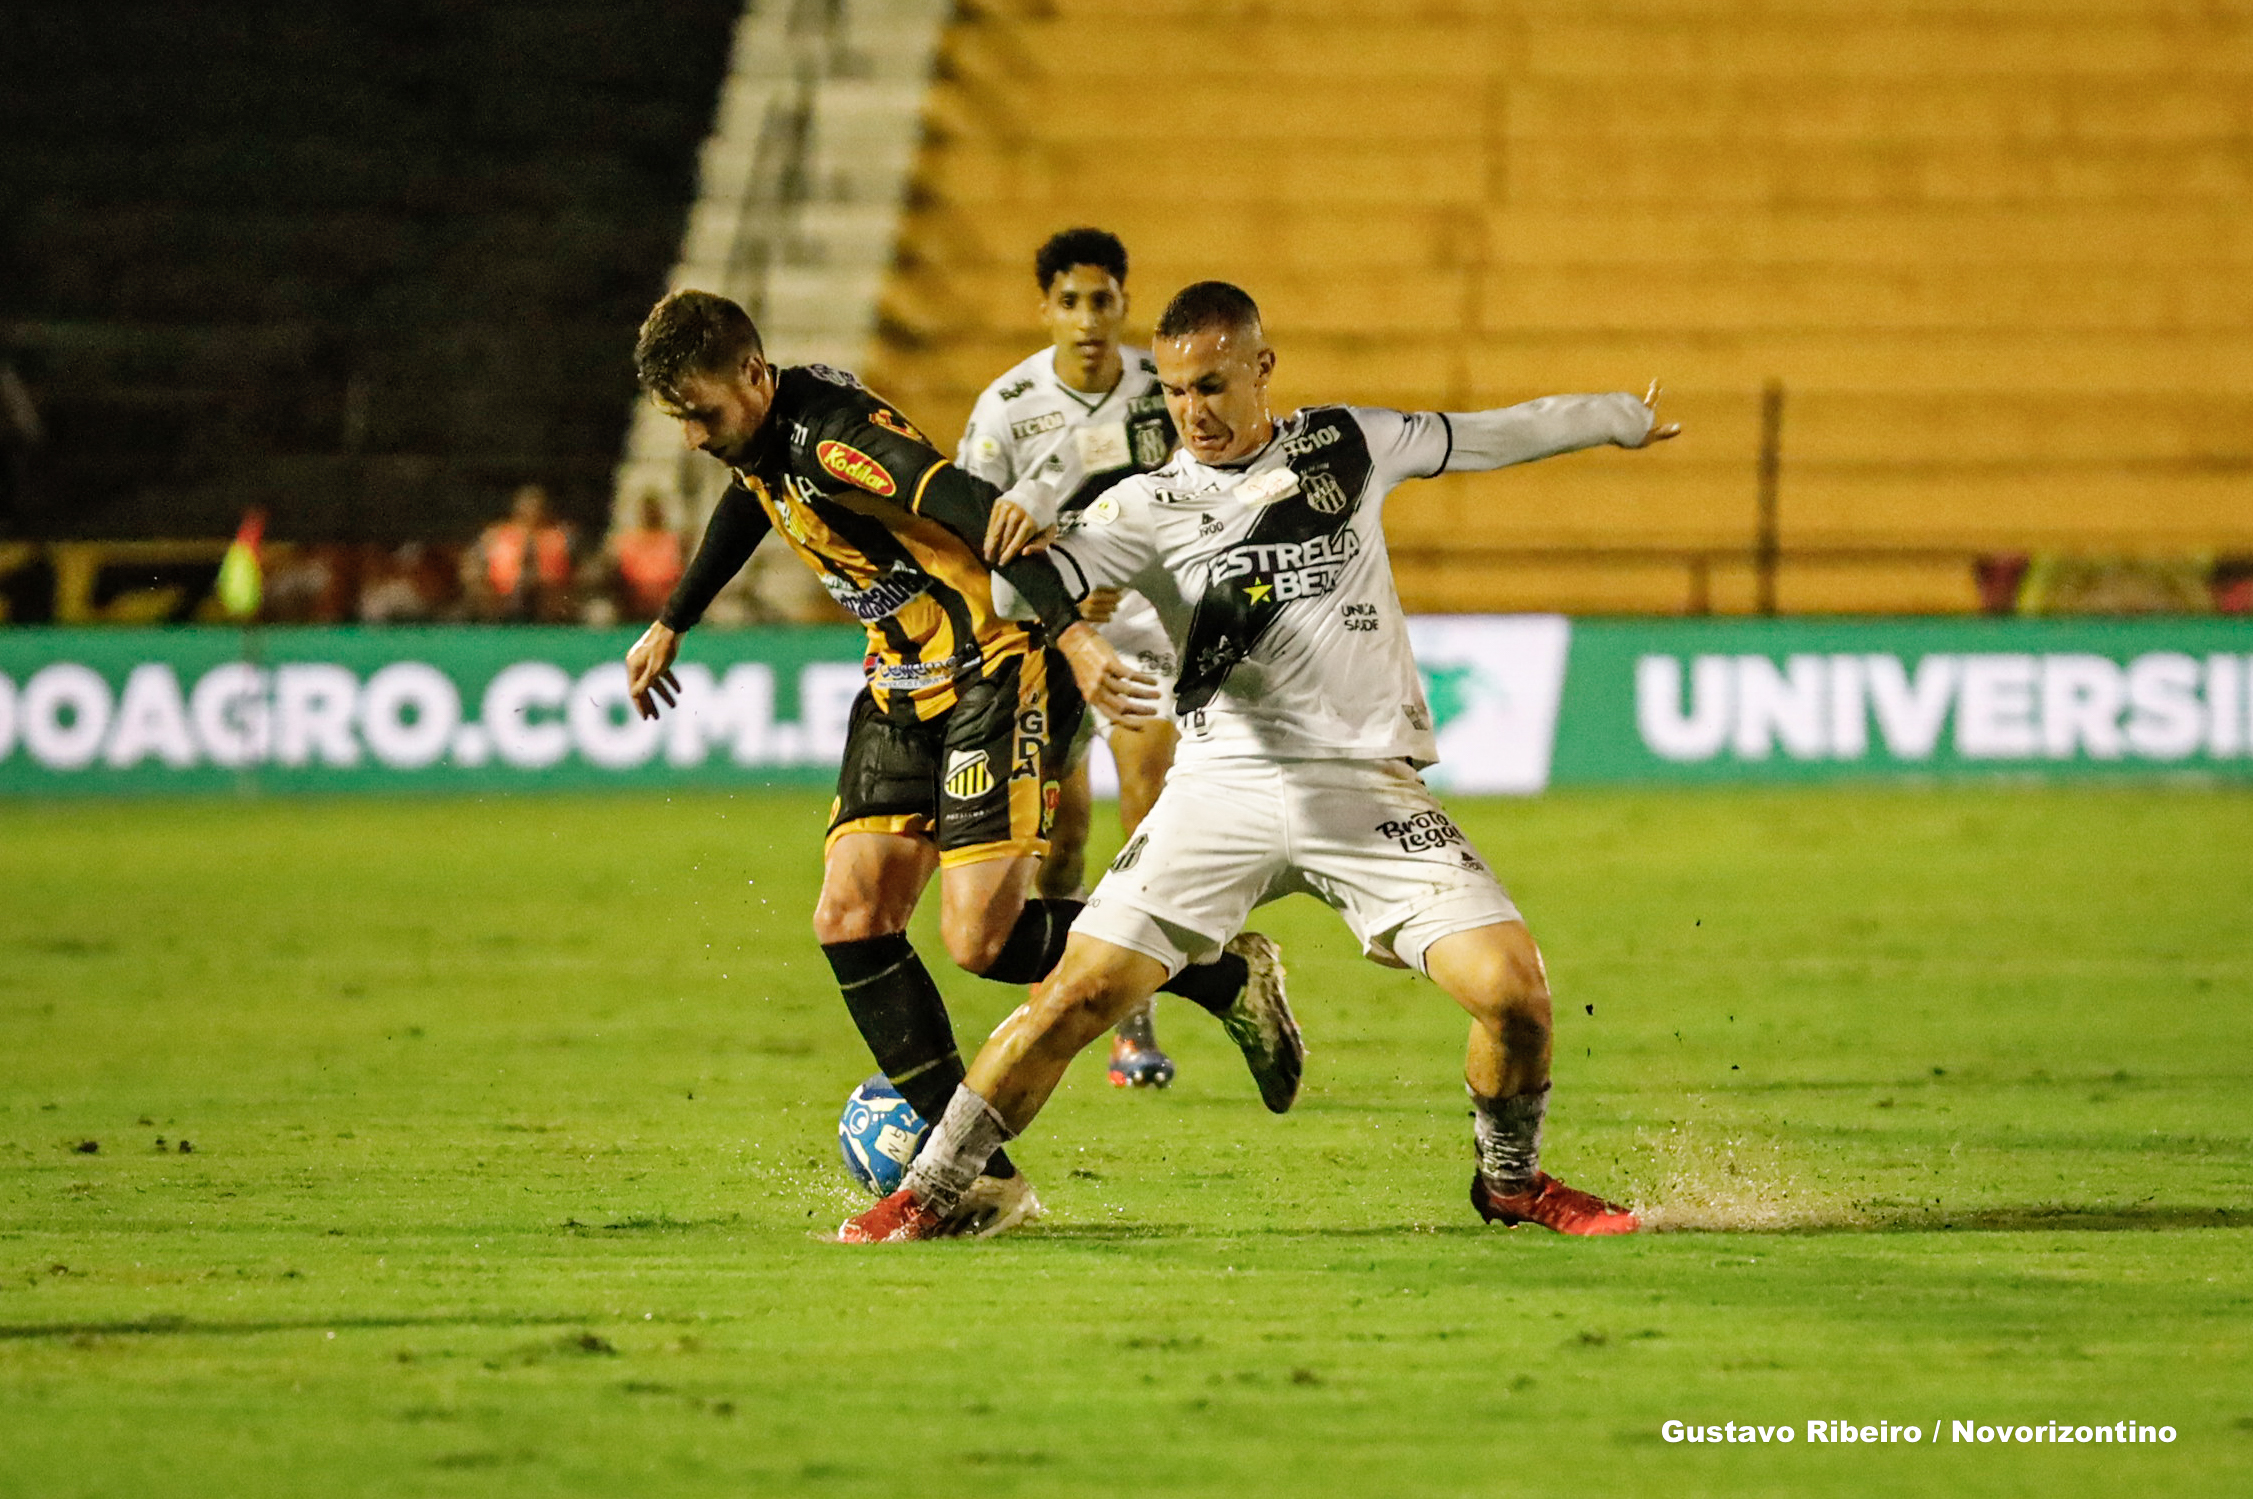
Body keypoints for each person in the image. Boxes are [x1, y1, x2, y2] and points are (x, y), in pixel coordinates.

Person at [841, 281, 1679, 1244]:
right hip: (1221, 790)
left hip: (1364, 790)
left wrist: (1618, 418)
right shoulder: (1148, 502)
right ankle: (929, 1193)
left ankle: (1511, 1182)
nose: (1193, 411)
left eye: (1211, 384)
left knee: (1515, 993)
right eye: (1176, 392)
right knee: (1073, 996)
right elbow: (1032, 590)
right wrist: (1021, 539)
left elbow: (1489, 432)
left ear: (1261, 367)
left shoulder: (1349, 445)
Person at [620, 290, 1301, 1238]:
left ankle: (1214, 969)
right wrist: (672, 620)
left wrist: (1068, 637)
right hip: (900, 680)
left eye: (702, 413)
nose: (694, 437)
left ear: (754, 376)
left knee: (984, 940)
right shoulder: (764, 443)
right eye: (678, 421)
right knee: (850, 917)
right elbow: (752, 500)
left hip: (993, 668)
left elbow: (982, 512)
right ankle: (977, 1179)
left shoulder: (834, 439)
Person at [957, 227, 1186, 1089]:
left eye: (1102, 300)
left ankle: (1135, 1023)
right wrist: (1058, 598)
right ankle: (1074, 997)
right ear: (1043, 308)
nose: (1087, 319)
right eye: (1069, 301)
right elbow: (977, 548)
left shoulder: (1165, 394)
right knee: (1060, 845)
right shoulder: (1005, 408)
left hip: (1143, 633)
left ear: (1125, 302)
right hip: (1044, 638)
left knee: (1149, 809)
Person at [465, 483, 574, 621]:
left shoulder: (560, 536)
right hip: (499, 599)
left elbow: (580, 570)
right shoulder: (495, 535)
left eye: (536, 505)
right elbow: (472, 563)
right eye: (527, 505)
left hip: (548, 600)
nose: (531, 510)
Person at [602, 490, 687, 622]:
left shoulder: (675, 542)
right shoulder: (627, 541)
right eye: (648, 510)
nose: (652, 514)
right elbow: (618, 575)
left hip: (667, 606)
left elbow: (680, 575)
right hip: (631, 605)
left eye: (655, 510)